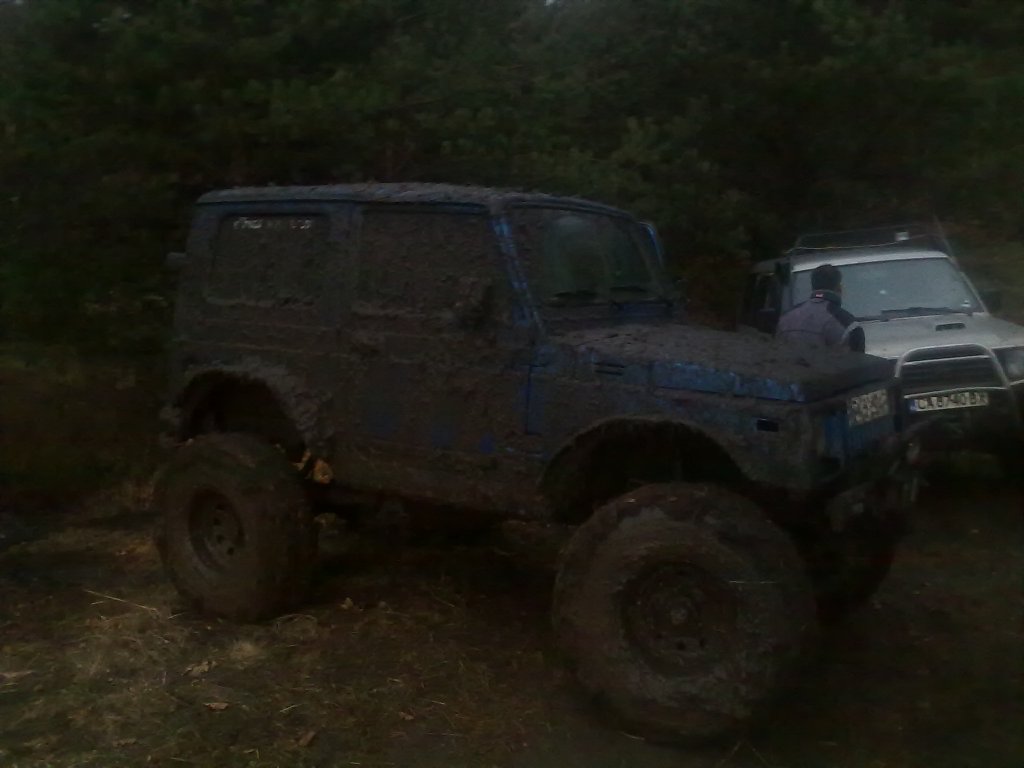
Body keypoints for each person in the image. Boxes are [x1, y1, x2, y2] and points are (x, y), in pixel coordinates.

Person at [775, 264, 865, 352]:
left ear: (812, 287)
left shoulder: (786, 319)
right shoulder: (849, 325)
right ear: (839, 288)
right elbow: (858, 360)